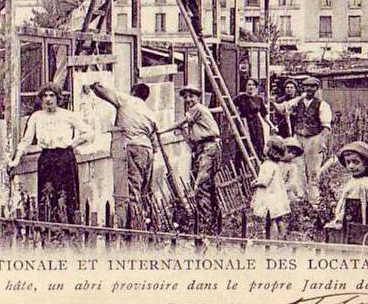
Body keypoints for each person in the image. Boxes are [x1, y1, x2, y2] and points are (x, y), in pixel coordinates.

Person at [10, 83, 93, 223]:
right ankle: (49, 230)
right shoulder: (36, 117)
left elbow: (89, 132)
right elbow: (26, 140)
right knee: (47, 196)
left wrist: (73, 144)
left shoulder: (68, 115)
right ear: (41, 99)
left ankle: (70, 229)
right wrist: (16, 159)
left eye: (52, 95)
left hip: (65, 159)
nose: (48, 99)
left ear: (58, 98)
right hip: (46, 159)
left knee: (66, 196)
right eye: (45, 96)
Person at [85, 80, 158, 229]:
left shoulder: (127, 100)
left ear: (132, 92)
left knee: (130, 189)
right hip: (147, 151)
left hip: (131, 148)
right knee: (144, 189)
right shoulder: (149, 113)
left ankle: (133, 227)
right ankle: (146, 223)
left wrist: (93, 85)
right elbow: (155, 142)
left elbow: (103, 91)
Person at [161, 85, 220, 232]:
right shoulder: (195, 117)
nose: (188, 100)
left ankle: (206, 224)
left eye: (191, 96)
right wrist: (183, 132)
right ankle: (212, 220)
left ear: (198, 97)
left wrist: (162, 130)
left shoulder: (198, 109)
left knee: (200, 186)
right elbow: (192, 141)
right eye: (185, 97)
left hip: (209, 148)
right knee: (206, 186)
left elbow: (181, 122)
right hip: (203, 148)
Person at [271, 76, 332, 204]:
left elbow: (326, 126)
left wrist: (322, 142)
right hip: (298, 138)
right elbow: (282, 109)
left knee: (313, 171)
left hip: (314, 139)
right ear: (303, 88)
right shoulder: (298, 101)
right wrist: (272, 102)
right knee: (298, 168)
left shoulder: (322, 105)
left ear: (317, 88)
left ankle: (314, 201)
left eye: (312, 86)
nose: (309, 89)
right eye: (306, 86)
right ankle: (301, 198)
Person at [324, 141, 368, 229]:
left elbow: (356, 209)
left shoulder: (362, 184)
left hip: (353, 224)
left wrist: (340, 222)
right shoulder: (354, 180)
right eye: (348, 162)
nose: (351, 166)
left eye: (356, 162)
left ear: (366, 164)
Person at [251, 136, 290, 238]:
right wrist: (258, 180)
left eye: (267, 146)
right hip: (277, 196)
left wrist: (255, 184)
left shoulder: (267, 165)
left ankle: (272, 242)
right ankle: (283, 240)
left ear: (271, 151)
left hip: (270, 198)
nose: (265, 147)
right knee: (279, 219)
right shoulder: (276, 165)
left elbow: (265, 182)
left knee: (272, 220)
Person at [233, 78, 271, 160]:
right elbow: (230, 108)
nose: (251, 87)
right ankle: (242, 169)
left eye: (253, 85)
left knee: (258, 145)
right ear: (245, 86)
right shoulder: (240, 98)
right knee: (243, 147)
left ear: (256, 87)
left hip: (256, 124)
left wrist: (271, 125)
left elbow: (264, 115)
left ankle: (257, 166)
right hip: (244, 123)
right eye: (249, 85)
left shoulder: (259, 99)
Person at [280, 136, 306, 203]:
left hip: (284, 190)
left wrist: (282, 189)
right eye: (288, 151)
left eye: (294, 153)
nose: (290, 155)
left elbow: (292, 182)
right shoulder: (275, 164)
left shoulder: (292, 167)